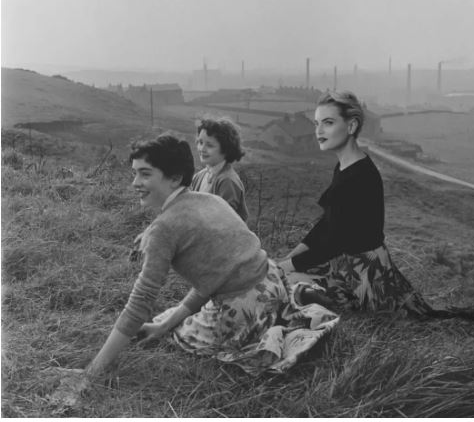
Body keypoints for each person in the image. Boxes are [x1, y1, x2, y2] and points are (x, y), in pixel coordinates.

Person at [46, 134, 338, 409]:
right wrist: (163, 324)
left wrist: (92, 371)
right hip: (273, 280)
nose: (135, 183)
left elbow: (140, 302)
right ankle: (291, 303)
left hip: (245, 305)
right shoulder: (209, 200)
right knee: (166, 320)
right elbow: (216, 274)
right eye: (134, 173)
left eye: (145, 174)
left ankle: (271, 335)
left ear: (174, 178)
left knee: (182, 333)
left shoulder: (164, 228)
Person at [278, 91, 474, 320]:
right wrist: (290, 257)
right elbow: (327, 224)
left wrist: (289, 265)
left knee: (287, 286)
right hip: (345, 262)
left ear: (351, 126)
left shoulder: (360, 175)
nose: (318, 131)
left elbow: (335, 242)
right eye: (316, 123)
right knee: (282, 280)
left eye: (328, 123)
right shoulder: (344, 167)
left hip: (365, 274)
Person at [191, 117, 249, 221]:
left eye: (209, 145)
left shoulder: (228, 181)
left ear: (226, 149)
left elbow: (224, 223)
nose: (202, 149)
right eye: (200, 142)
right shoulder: (199, 176)